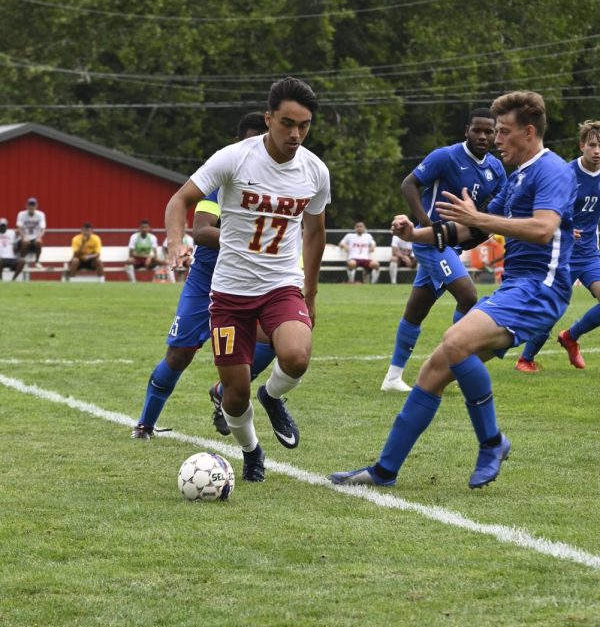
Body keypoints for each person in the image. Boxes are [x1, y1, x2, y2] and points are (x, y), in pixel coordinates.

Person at [330, 91, 576, 491]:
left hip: (540, 289)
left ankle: (492, 442)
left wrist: (481, 217)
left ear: (529, 132)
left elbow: (544, 228)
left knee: (455, 340)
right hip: (516, 287)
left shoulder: (551, 171)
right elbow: (471, 229)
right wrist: (416, 234)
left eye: (504, 131)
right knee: (433, 371)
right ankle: (384, 471)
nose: (497, 140)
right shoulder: (516, 177)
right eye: (495, 131)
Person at [164, 76, 330, 482]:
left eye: (304, 125)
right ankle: (251, 450)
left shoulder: (315, 171)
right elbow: (179, 200)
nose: (295, 134)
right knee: (233, 395)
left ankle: (272, 397)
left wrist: (310, 292)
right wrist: (173, 244)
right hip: (230, 295)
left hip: (280, 286)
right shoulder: (234, 158)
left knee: (296, 355)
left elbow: (315, 230)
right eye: (287, 123)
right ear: (269, 118)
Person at [131, 112, 276, 440]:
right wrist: (248, 241)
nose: (260, 149)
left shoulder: (276, 185)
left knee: (275, 338)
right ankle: (145, 424)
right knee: (180, 354)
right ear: (238, 143)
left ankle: (224, 391)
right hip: (208, 281)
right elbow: (202, 231)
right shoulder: (222, 183)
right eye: (253, 141)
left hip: (250, 282)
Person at [381, 109, 506, 393]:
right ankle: (455, 364)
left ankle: (392, 378)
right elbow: (409, 184)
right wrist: (427, 226)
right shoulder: (445, 156)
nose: (483, 136)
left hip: (454, 244)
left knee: (417, 309)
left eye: (489, 131)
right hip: (432, 243)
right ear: (467, 130)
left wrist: (476, 233)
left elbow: (494, 209)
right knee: (468, 295)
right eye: (478, 130)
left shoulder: (496, 169)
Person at [515, 119, 600, 373]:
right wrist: (563, 224)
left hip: (588, 255)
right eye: (593, 145)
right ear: (581, 145)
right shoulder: (565, 173)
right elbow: (543, 206)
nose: (597, 151)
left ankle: (570, 337)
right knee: (550, 311)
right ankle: (525, 359)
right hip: (560, 255)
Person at [16, 197, 46, 268]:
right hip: (25, 238)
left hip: (35, 238)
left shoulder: (40, 214)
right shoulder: (21, 214)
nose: (31, 207)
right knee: (25, 242)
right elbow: (19, 228)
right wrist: (24, 237)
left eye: (33, 205)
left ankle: (37, 261)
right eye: (30, 205)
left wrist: (39, 237)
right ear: (26, 206)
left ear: (36, 206)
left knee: (39, 242)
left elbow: (43, 228)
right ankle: (22, 261)